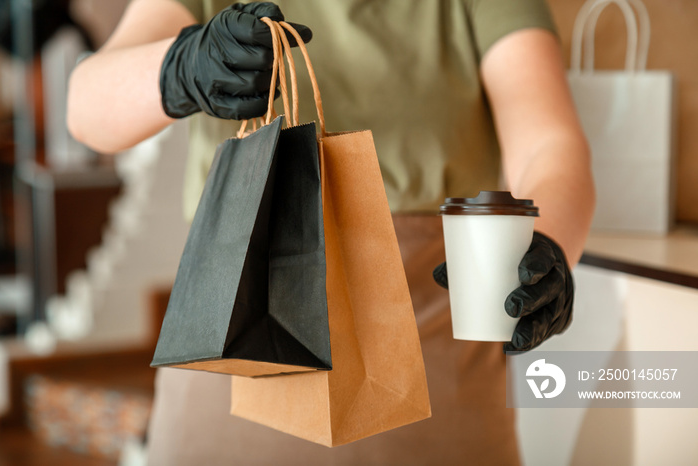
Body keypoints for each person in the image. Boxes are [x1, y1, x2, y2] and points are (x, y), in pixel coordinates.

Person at [67, 0, 594, 464]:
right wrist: (180, 68)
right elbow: (87, 108)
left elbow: (548, 143)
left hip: (432, 378)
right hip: (227, 369)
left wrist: (548, 247)